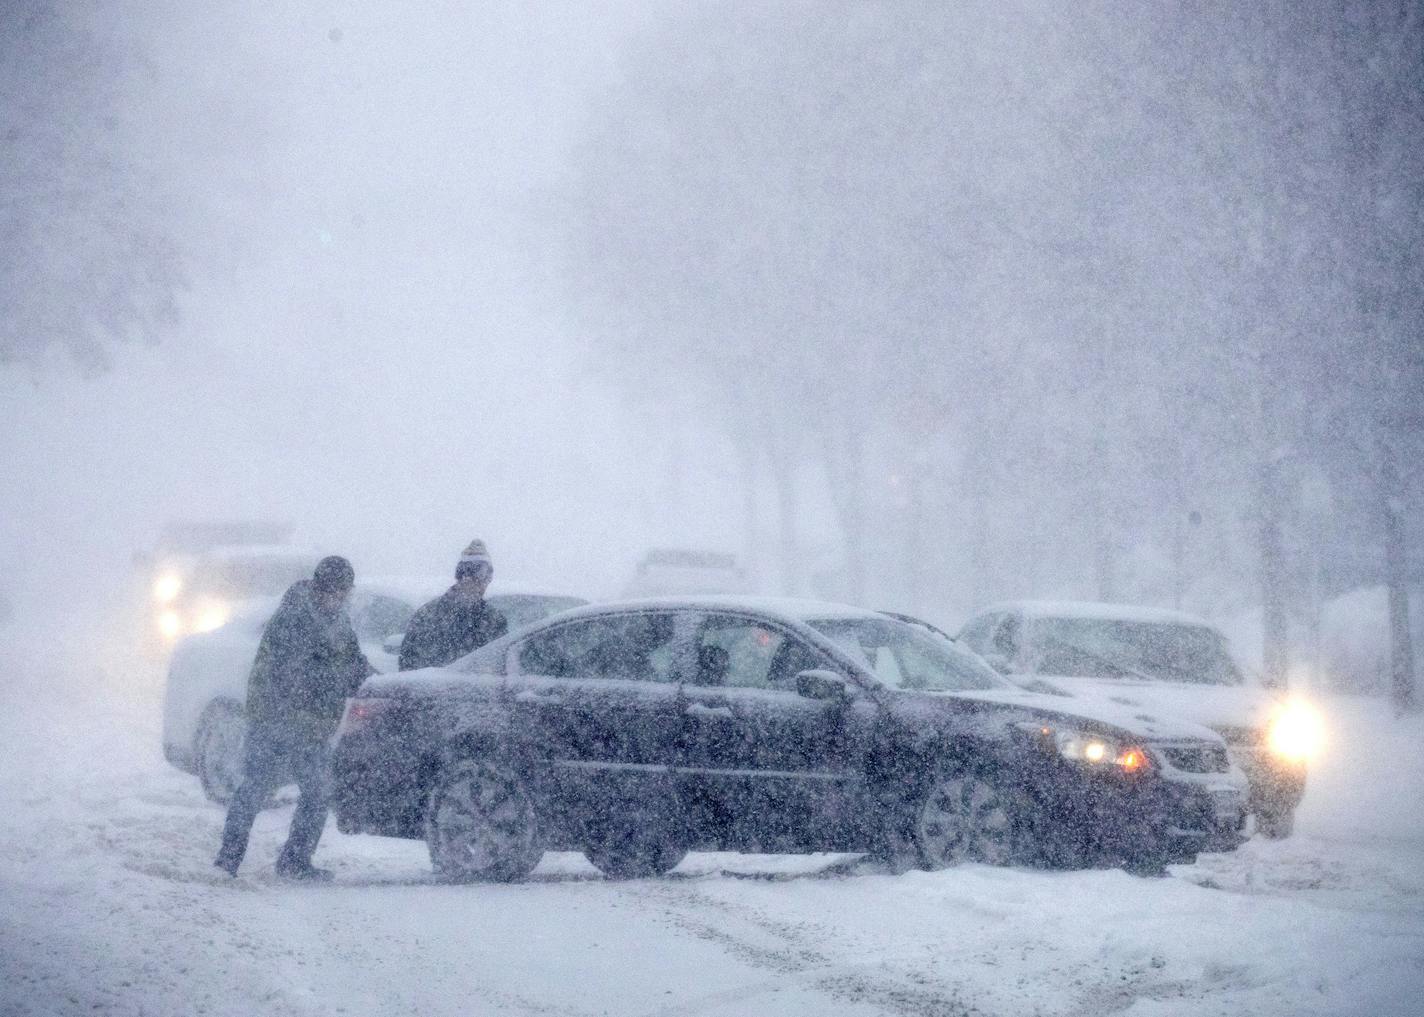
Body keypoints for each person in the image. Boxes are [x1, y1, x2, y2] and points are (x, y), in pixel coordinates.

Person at [214, 555, 373, 881]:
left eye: (344, 592)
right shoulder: (292, 618)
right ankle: (227, 860)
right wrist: (335, 680)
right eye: (334, 591)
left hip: (310, 726)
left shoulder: (339, 622)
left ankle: (295, 861)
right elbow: (298, 673)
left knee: (318, 792)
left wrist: (371, 681)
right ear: (319, 587)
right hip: (275, 720)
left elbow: (353, 663)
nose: (339, 598)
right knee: (255, 788)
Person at [398, 539, 508, 671]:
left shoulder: (495, 621)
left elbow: (501, 668)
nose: (478, 584)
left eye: (485, 578)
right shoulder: (428, 617)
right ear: (461, 576)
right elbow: (408, 669)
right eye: (472, 575)